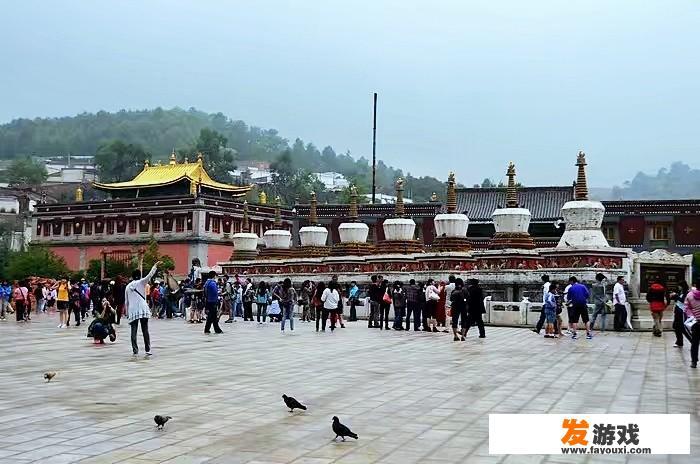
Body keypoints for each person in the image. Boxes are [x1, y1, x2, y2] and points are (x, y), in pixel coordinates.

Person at [125, 261, 161, 357]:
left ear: (132, 276)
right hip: (142, 309)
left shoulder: (128, 287)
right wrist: (155, 266)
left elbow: (126, 302)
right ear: (139, 276)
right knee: (145, 329)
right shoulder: (141, 283)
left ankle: (135, 350)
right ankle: (147, 349)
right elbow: (149, 275)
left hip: (133, 310)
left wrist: (126, 312)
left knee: (134, 330)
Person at [683, 279, 700, 368]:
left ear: (696, 285)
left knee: (695, 342)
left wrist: (692, 317)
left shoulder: (689, 295)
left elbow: (686, 308)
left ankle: (694, 361)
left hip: (696, 322)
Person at [671, 281, 690, 348]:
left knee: (682, 328)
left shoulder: (687, 293)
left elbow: (683, 300)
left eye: (679, 286)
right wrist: (673, 296)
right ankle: (679, 342)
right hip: (677, 311)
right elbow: (677, 300)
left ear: (682, 286)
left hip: (682, 312)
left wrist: (676, 296)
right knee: (676, 327)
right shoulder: (680, 292)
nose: (678, 287)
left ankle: (692, 340)